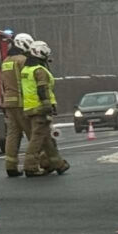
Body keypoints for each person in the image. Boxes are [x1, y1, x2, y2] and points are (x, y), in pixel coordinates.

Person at [21, 41, 69, 177]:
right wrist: (48, 106)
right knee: (36, 139)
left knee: (46, 138)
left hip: (30, 107)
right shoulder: (39, 70)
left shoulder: (26, 70)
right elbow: (43, 89)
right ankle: (30, 167)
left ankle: (58, 164)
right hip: (40, 108)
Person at [1, 32, 34, 177]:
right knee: (33, 134)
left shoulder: (6, 61)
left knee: (12, 135)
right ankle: (34, 165)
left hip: (9, 103)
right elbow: (28, 83)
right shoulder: (23, 60)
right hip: (22, 103)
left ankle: (10, 165)